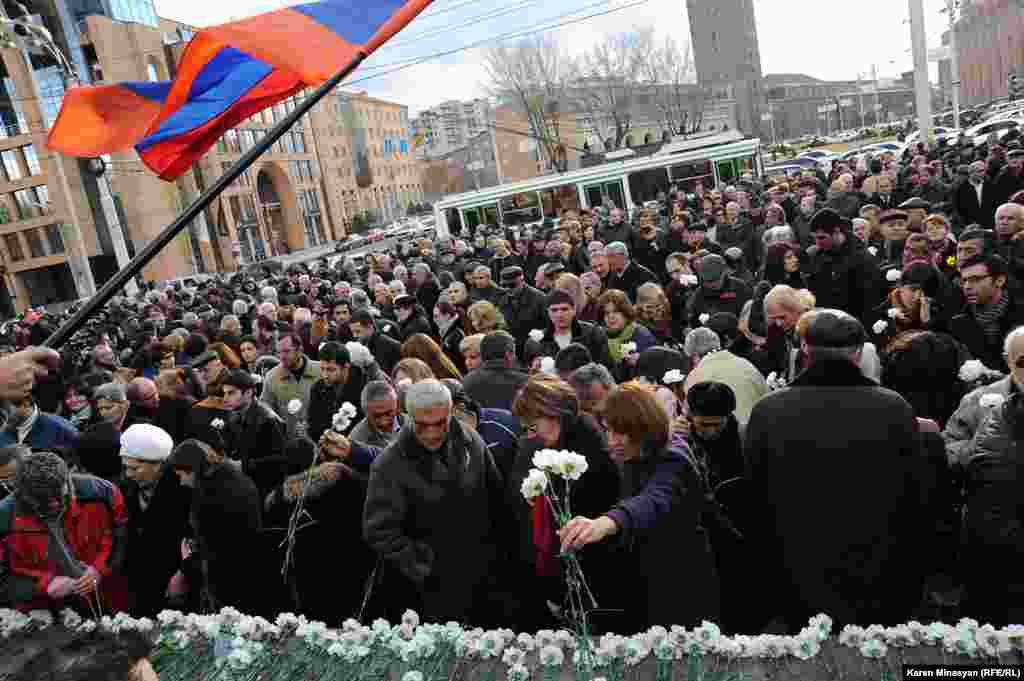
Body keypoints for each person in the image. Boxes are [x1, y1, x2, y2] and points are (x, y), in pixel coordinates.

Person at [743, 309, 931, 630]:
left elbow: (754, 498)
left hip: (794, 570)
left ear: (804, 349)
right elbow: (915, 496)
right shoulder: (893, 408)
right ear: (859, 354)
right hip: (875, 570)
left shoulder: (769, 411)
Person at [558, 381, 720, 631]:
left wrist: (608, 522)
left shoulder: (673, 457)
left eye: (618, 433)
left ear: (642, 428)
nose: (610, 441)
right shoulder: (636, 455)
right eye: (607, 431)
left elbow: (654, 499)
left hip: (682, 586)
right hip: (652, 580)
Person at [363, 380, 511, 624]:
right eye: (422, 425)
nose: (431, 433)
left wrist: (497, 559)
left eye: (439, 423)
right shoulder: (390, 464)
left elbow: (496, 501)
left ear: (451, 413)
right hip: (425, 593)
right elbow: (379, 531)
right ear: (409, 417)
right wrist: (428, 564)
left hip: (481, 579)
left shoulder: (470, 442)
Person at [508, 374, 621, 631]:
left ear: (552, 413)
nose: (531, 433)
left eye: (533, 425)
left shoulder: (585, 447)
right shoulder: (557, 441)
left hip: (592, 570)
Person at [0, 452, 128, 613]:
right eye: (42, 501)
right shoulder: (4, 517)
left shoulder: (103, 492)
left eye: (58, 496)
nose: (54, 504)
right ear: (20, 492)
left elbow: (120, 537)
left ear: (68, 480)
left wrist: (99, 568)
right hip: (46, 612)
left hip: (106, 598)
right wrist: (43, 585)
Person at [167, 438, 263, 614]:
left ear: (194, 469)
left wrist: (188, 564)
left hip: (228, 583)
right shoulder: (232, 479)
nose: (182, 482)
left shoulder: (210, 494)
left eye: (182, 475)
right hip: (251, 574)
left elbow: (215, 550)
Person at [117, 423, 190, 616]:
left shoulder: (182, 489)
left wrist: (183, 574)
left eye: (135, 468)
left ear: (157, 464)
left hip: (173, 580)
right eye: (126, 467)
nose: (128, 474)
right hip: (139, 579)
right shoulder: (127, 486)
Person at [221, 369, 288, 498]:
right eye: (224, 393)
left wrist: (243, 465)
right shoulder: (234, 414)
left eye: (231, 393)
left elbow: (280, 461)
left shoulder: (268, 419)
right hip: (243, 488)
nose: (225, 399)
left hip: (264, 492)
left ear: (248, 393)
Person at [682, 327, 768, 427]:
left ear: (694, 356)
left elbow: (688, 417)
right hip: (757, 431)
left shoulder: (695, 376)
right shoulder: (747, 365)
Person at [525, 289, 614, 371]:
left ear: (574, 309)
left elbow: (607, 367)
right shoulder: (535, 342)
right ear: (548, 312)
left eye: (564, 309)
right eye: (554, 310)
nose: (559, 315)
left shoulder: (593, 334)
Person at [260, 333, 321, 438]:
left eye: (287, 351)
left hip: (319, 439)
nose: (282, 356)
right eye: (279, 352)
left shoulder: (320, 371)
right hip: (289, 442)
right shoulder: (272, 377)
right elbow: (265, 408)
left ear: (300, 350)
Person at [462, 331, 529, 411]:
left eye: (472, 357)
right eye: (514, 353)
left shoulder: (467, 381)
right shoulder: (525, 382)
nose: (467, 363)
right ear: (508, 355)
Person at [349, 380, 406, 448]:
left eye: (388, 413)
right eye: (376, 416)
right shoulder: (357, 441)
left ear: (396, 406)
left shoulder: (413, 424)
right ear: (365, 412)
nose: (383, 422)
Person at [350, 308, 402, 376]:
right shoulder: (360, 346)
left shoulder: (391, 345)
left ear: (370, 327)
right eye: (352, 332)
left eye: (357, 331)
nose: (354, 336)